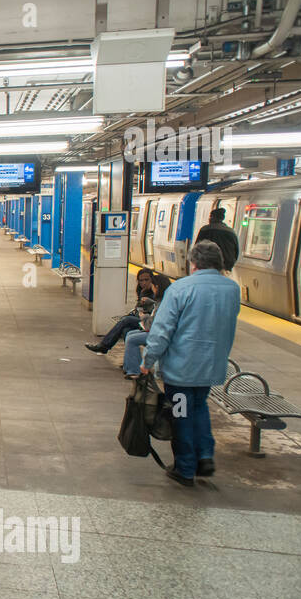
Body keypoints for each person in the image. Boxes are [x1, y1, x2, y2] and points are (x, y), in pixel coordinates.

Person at [140, 240, 240, 487]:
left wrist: (148, 361)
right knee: (199, 408)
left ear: (193, 263)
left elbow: (162, 331)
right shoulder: (231, 289)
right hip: (211, 367)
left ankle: (185, 468)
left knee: (181, 414)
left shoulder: (181, 289)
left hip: (182, 369)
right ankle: (205, 455)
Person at [85, 268, 160, 353]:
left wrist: (149, 302)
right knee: (126, 330)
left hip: (150, 322)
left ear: (152, 280)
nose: (144, 283)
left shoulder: (157, 291)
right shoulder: (142, 291)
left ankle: (104, 346)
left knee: (126, 320)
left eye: (147, 280)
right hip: (141, 319)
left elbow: (157, 307)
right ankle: (130, 361)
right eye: (141, 281)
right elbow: (139, 308)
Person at [194, 207, 240, 272]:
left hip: (207, 266)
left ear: (213, 218)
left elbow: (197, 248)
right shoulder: (231, 232)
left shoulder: (205, 230)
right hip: (225, 267)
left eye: (210, 217)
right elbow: (236, 252)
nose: (209, 219)